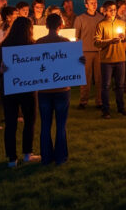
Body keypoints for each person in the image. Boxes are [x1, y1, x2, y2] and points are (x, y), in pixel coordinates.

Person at [0, 17, 40, 167]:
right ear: (29, 29)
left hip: (10, 89)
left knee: (11, 123)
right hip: (27, 89)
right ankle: (27, 153)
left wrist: (0, 71)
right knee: (29, 121)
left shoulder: (4, 45)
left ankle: (12, 158)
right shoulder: (32, 45)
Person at [35, 14, 72, 165]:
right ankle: (61, 157)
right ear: (60, 25)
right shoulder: (65, 42)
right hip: (62, 89)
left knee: (45, 125)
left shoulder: (38, 42)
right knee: (61, 125)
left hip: (44, 90)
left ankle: (46, 156)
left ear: (46, 26)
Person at [94, 1, 126, 119]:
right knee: (106, 86)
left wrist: (124, 38)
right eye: (110, 10)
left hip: (120, 58)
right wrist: (110, 41)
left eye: (114, 9)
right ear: (105, 11)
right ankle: (106, 110)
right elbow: (96, 42)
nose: (113, 12)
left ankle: (121, 107)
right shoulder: (101, 24)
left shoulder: (122, 23)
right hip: (106, 60)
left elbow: (125, 40)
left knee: (120, 85)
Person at [74, 0, 104, 109]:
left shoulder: (101, 18)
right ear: (86, 5)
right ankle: (83, 101)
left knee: (99, 77)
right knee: (86, 77)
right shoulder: (80, 18)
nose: (94, 5)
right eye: (91, 3)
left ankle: (99, 101)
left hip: (99, 51)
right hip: (85, 51)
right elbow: (76, 36)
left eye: (95, 2)